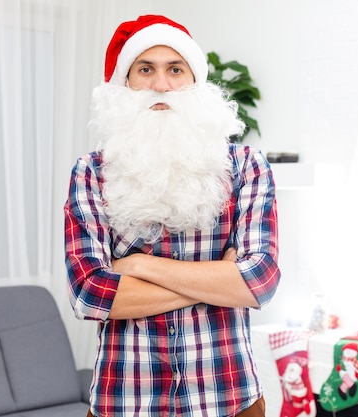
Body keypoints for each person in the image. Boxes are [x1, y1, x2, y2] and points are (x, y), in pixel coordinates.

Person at [63, 14, 281, 417]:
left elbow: (259, 281)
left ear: (195, 82)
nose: (161, 84)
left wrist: (138, 266)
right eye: (145, 69)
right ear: (124, 85)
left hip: (229, 398)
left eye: (175, 69)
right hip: (125, 399)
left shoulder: (247, 166)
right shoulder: (91, 173)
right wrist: (218, 278)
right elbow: (89, 294)